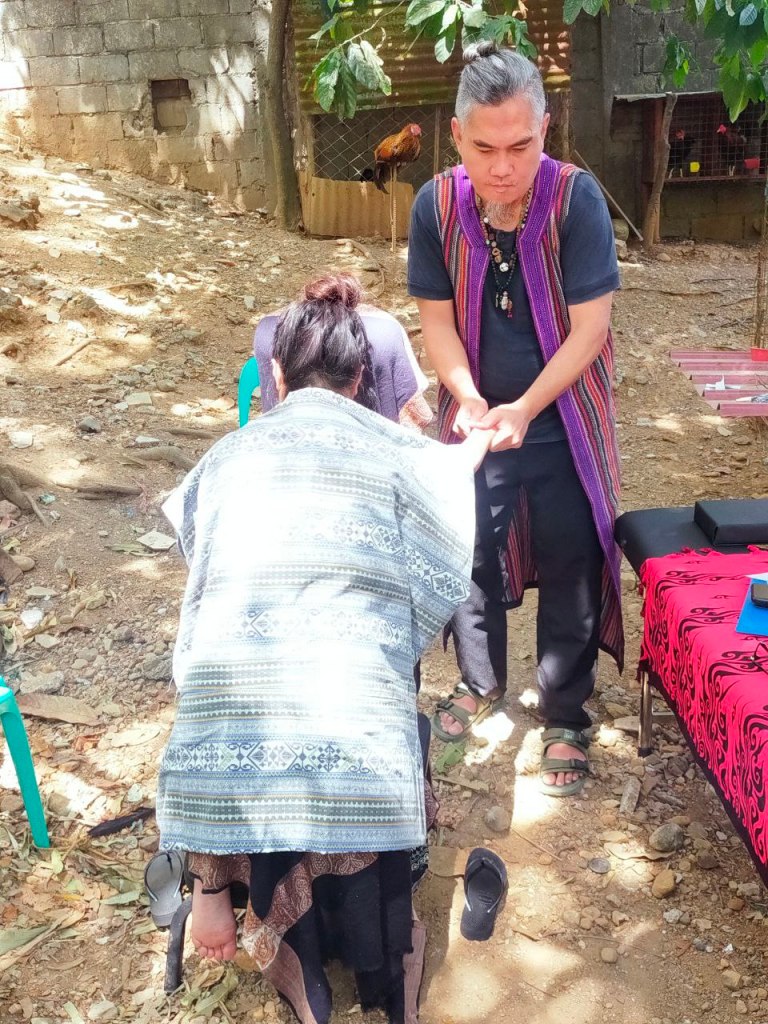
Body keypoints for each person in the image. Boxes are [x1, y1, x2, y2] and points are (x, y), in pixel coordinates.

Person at [156, 274, 491, 1024]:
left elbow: (196, 553)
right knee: (371, 699)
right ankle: (379, 953)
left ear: (275, 373)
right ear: (361, 376)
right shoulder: (397, 452)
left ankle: (219, 895)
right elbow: (444, 549)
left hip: (240, 747)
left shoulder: (228, 457)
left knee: (220, 689)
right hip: (355, 744)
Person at [407, 42, 623, 797]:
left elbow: (590, 329)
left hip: (564, 417)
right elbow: (436, 323)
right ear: (457, 137)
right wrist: (467, 398)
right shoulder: (436, 206)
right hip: (474, 422)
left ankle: (565, 710)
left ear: (546, 129)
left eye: (521, 147)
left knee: (572, 558)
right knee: (469, 546)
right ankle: (480, 681)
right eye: (484, 149)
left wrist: (528, 406)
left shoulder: (576, 201)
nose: (502, 168)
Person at [254, 292, 432, 430]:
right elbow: (416, 420)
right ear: (358, 378)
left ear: (277, 374)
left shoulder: (240, 451)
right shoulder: (385, 331)